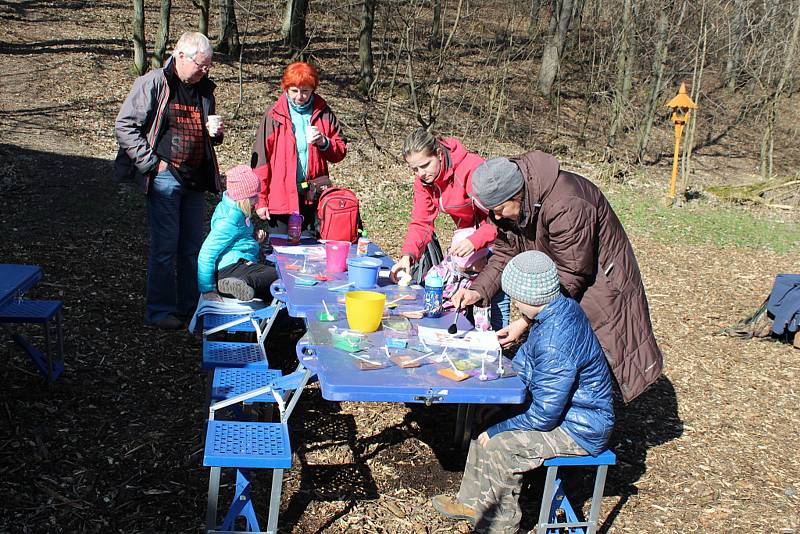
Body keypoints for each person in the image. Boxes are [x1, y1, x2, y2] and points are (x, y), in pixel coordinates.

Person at [450, 153, 663, 402]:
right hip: (565, 281)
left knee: (598, 354)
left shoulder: (567, 204)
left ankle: (588, 422)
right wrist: (478, 290)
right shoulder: (518, 208)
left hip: (600, 284)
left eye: (499, 210)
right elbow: (505, 254)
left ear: (515, 195)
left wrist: (526, 321)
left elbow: (571, 274)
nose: (496, 217)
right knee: (566, 353)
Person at [431, 251, 614, 534]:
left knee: (504, 446)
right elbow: (528, 361)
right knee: (488, 423)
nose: (514, 305)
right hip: (564, 412)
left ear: (530, 297)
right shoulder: (557, 311)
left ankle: (499, 527)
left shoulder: (555, 341)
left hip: (581, 426)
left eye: (515, 298)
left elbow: (544, 415)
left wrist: (500, 429)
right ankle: (472, 504)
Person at [115, 32, 223, 330]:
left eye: (208, 66)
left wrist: (216, 132)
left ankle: (190, 308)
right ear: (181, 57)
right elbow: (125, 126)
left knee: (192, 250)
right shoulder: (154, 83)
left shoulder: (205, 90)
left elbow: (208, 133)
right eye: (201, 65)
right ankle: (160, 311)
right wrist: (151, 164)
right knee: (165, 248)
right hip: (165, 178)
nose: (205, 71)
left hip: (195, 180)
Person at [388, 128, 510, 329]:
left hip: (500, 237)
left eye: (425, 165)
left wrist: (476, 240)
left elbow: (502, 217)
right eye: (414, 169)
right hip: (470, 241)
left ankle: (499, 347)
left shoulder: (471, 169)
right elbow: (421, 221)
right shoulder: (424, 181)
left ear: (438, 153)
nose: (421, 174)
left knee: (494, 295)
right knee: (465, 299)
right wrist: (408, 255)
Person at [251, 61, 347, 236]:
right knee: (279, 252)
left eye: (305, 91)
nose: (299, 96)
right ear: (286, 88)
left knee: (310, 252)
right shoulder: (274, 115)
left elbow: (340, 151)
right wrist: (261, 200)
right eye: (294, 90)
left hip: (312, 196)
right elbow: (261, 160)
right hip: (281, 196)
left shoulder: (323, 112)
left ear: (313, 89)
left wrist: (324, 142)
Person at [198, 165, 278, 303]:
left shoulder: (237, 212)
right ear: (243, 198)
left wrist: (253, 239)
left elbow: (235, 239)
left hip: (237, 265)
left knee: (273, 290)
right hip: (229, 270)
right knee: (278, 276)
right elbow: (206, 253)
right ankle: (243, 282)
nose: (257, 200)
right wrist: (208, 290)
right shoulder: (230, 219)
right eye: (254, 196)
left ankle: (245, 285)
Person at [426, 228, 492, 330]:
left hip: (458, 320)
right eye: (482, 258)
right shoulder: (441, 273)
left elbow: (482, 307)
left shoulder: (479, 279)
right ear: (468, 263)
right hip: (434, 316)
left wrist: (483, 332)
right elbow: (425, 292)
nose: (486, 261)